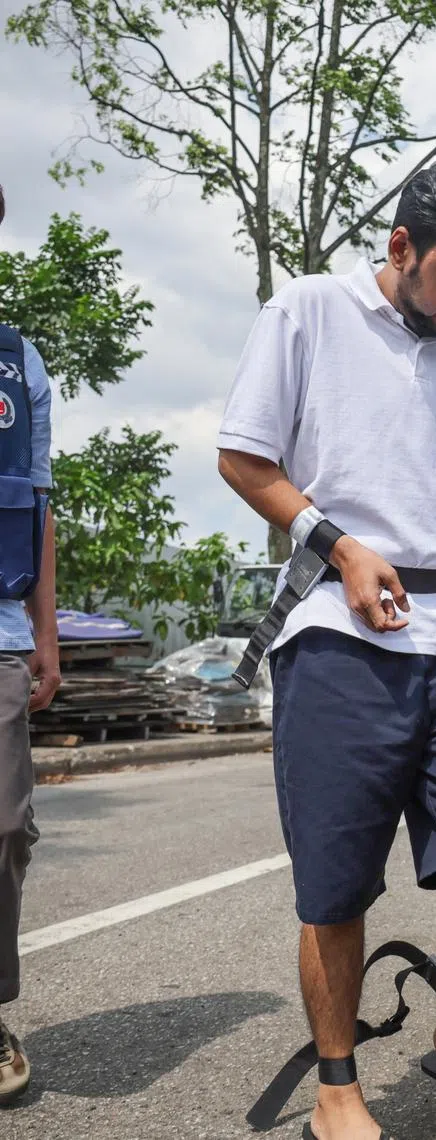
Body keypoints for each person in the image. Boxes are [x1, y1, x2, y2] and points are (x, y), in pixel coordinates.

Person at [217, 155, 436, 1140]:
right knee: (335, 882)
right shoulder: (308, 311)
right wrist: (342, 547)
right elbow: (243, 456)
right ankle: (336, 1091)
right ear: (402, 246)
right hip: (336, 631)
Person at [0, 184, 61, 1104]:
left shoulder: (19, 362)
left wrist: (47, 632)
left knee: (4, 824)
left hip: (1, 631)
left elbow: (38, 500)